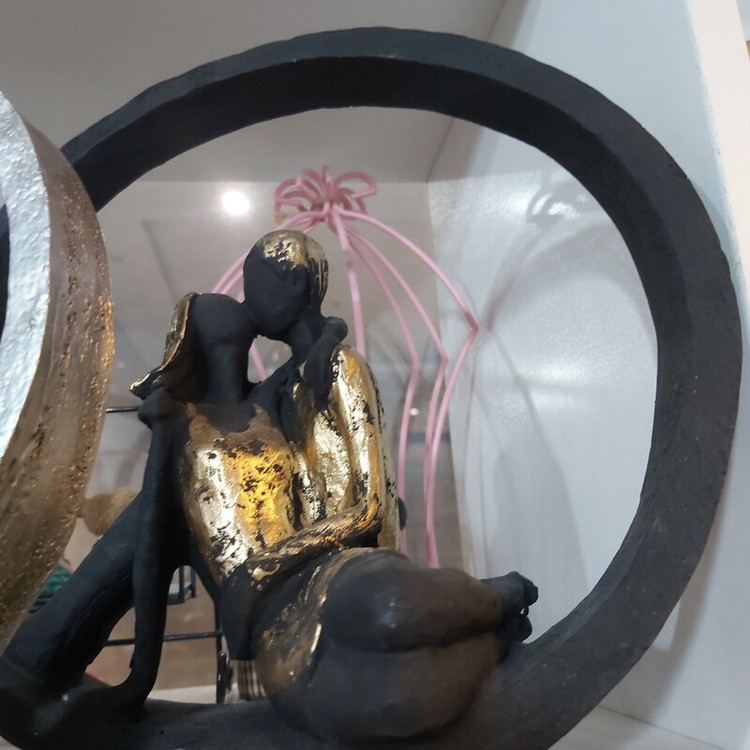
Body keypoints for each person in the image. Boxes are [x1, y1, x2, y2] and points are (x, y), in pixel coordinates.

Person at [2, 230, 536, 743]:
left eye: (253, 284)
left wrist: (261, 568)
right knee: (390, 695)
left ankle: (495, 600)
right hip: (284, 610)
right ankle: (34, 659)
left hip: (335, 569)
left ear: (294, 285)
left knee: (390, 613)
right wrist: (136, 682)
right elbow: (145, 558)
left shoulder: (322, 376)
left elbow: (373, 507)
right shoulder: (245, 403)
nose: (245, 300)